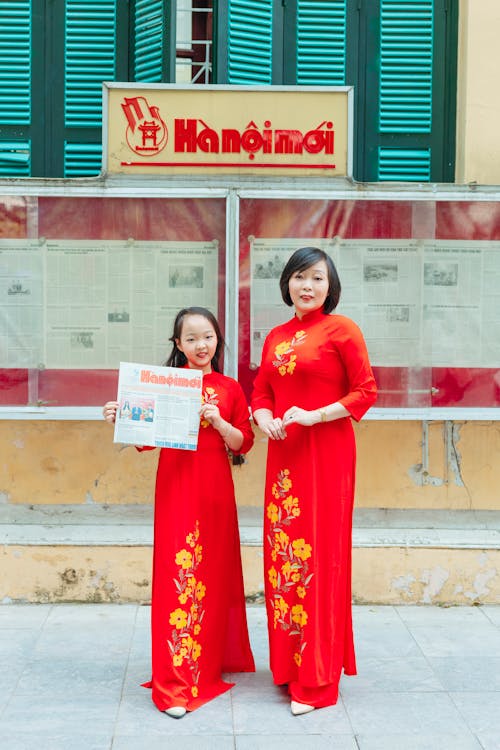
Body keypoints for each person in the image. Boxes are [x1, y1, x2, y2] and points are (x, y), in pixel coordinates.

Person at [103, 306, 255, 718]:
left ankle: (207, 658)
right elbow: (145, 440)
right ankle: (174, 679)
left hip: (215, 490)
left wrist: (220, 423)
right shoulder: (166, 384)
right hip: (175, 487)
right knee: (177, 575)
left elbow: (244, 442)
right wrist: (123, 417)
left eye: (207, 337)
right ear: (178, 344)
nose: (200, 345)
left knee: (212, 573)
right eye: (191, 339)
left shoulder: (230, 387)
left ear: (217, 340)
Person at [251, 247, 377, 716]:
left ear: (331, 286)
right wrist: (264, 417)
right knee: (284, 558)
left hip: (326, 453)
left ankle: (319, 680)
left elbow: (365, 391)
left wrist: (313, 415)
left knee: (320, 556)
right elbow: (262, 390)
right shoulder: (276, 337)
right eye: (300, 277)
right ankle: (289, 666)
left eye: (318, 278)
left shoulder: (341, 329)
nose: (308, 286)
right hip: (285, 457)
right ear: (286, 282)